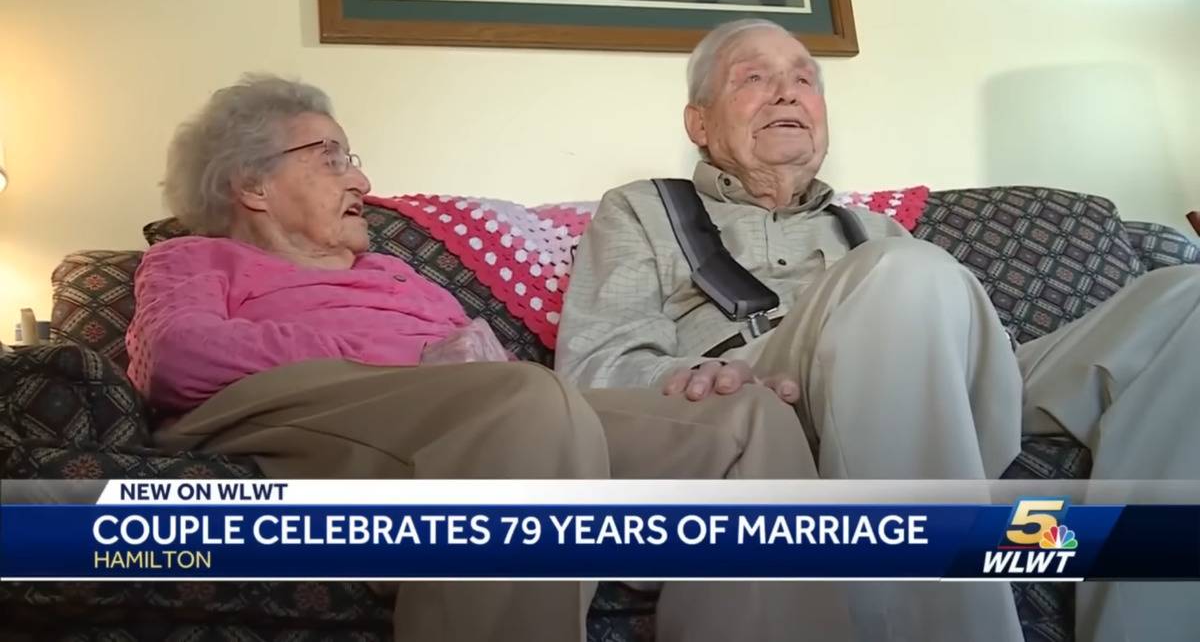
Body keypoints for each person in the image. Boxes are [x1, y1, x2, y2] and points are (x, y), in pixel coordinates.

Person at [127, 74, 853, 642]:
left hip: (469, 416)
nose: (362, 182)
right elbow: (178, 358)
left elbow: (493, 379)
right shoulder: (195, 258)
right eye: (332, 157)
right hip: (290, 408)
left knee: (748, 416)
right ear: (251, 183)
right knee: (524, 400)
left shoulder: (395, 273)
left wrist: (471, 368)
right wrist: (409, 357)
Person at [555, 18, 1200, 642]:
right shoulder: (642, 209)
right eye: (754, 77)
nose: (787, 92)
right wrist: (682, 377)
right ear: (699, 121)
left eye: (805, 81)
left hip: (953, 373)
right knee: (902, 274)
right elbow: (595, 362)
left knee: (1186, 298)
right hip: (764, 374)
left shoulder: (878, 232)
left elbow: (969, 352)